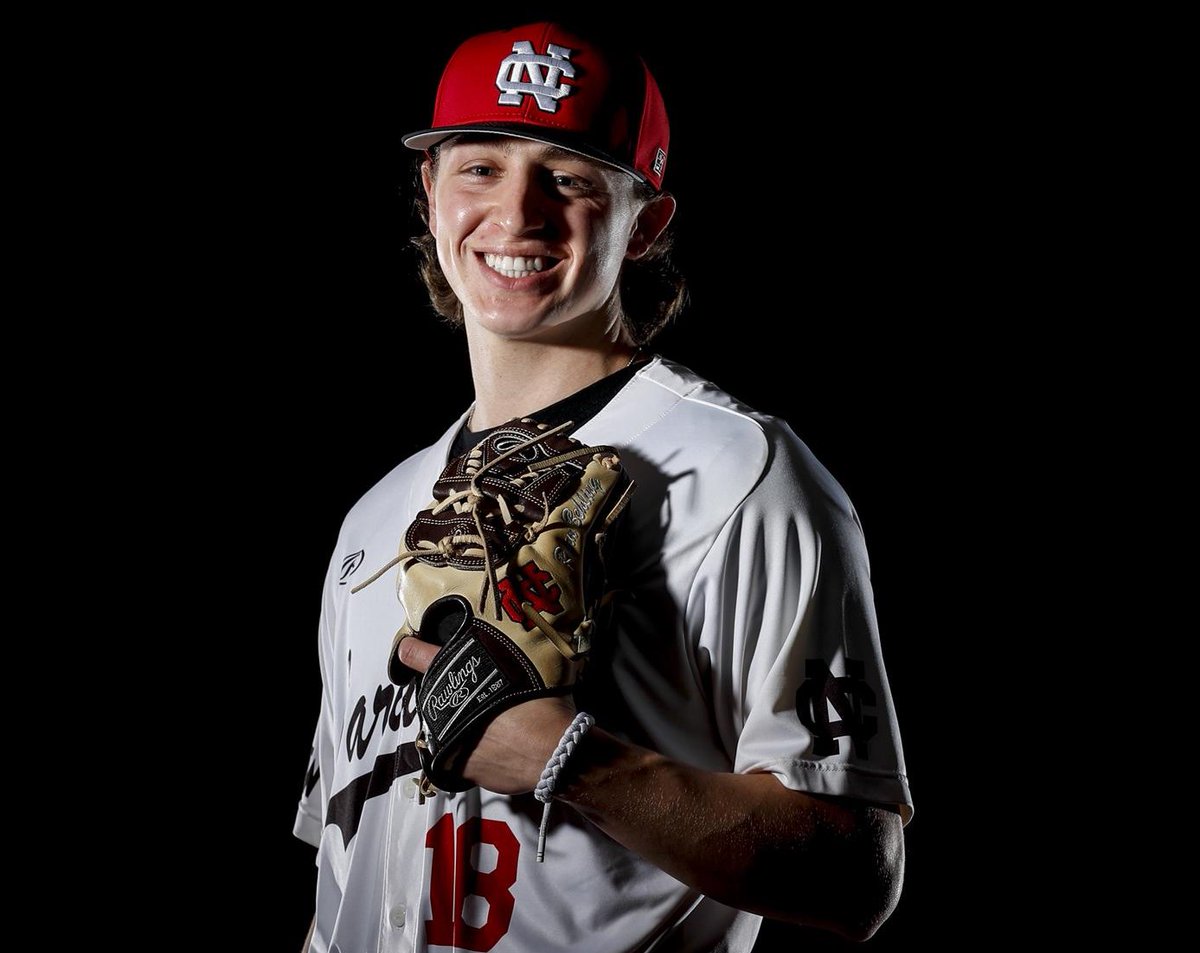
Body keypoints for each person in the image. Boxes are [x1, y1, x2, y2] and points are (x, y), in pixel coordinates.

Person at [294, 21, 913, 953]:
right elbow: (337, 869)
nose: (516, 214)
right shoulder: (374, 519)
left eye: (571, 177)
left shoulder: (742, 473)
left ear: (646, 222)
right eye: (479, 167)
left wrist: (571, 760)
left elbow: (855, 870)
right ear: (429, 194)